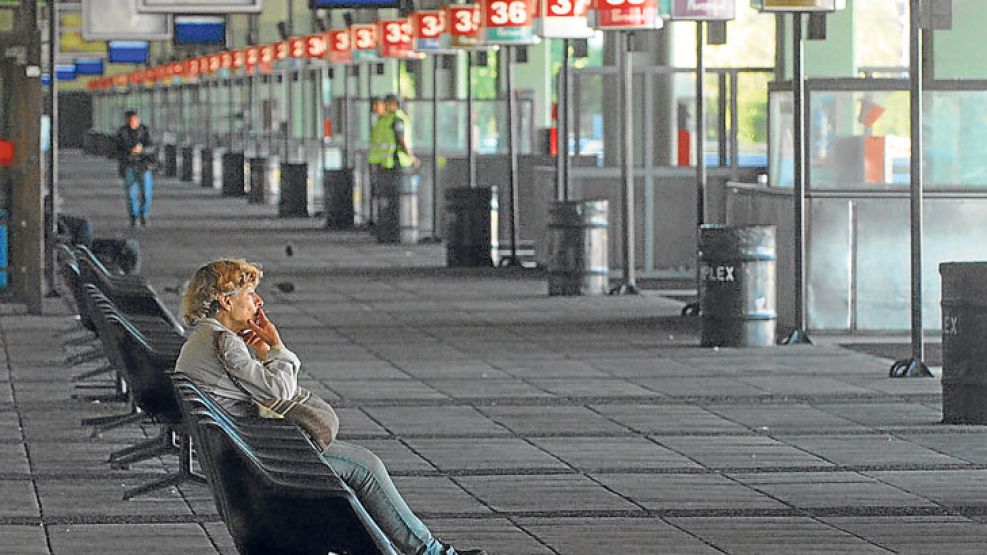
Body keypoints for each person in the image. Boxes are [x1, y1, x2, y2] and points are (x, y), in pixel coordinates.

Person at [174, 259, 486, 555]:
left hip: (245, 450)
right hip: (260, 457)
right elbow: (281, 391)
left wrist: (259, 351)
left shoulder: (203, 339)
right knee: (365, 469)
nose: (259, 302)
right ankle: (430, 552)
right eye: (250, 293)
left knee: (363, 467)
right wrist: (275, 348)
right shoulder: (224, 342)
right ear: (226, 301)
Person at [116, 110, 154, 227]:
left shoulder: (144, 131)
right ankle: (133, 216)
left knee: (146, 193)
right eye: (129, 120)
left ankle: (143, 215)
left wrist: (142, 150)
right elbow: (117, 149)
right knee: (131, 193)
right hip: (129, 166)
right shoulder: (122, 132)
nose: (132, 122)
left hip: (143, 166)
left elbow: (151, 147)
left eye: (134, 120)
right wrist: (128, 153)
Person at [366, 97, 389, 227]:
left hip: (386, 164)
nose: (374, 108)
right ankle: (378, 220)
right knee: (377, 195)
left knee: (383, 196)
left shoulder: (388, 121)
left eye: (376, 105)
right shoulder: (380, 122)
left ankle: (382, 221)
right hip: (377, 163)